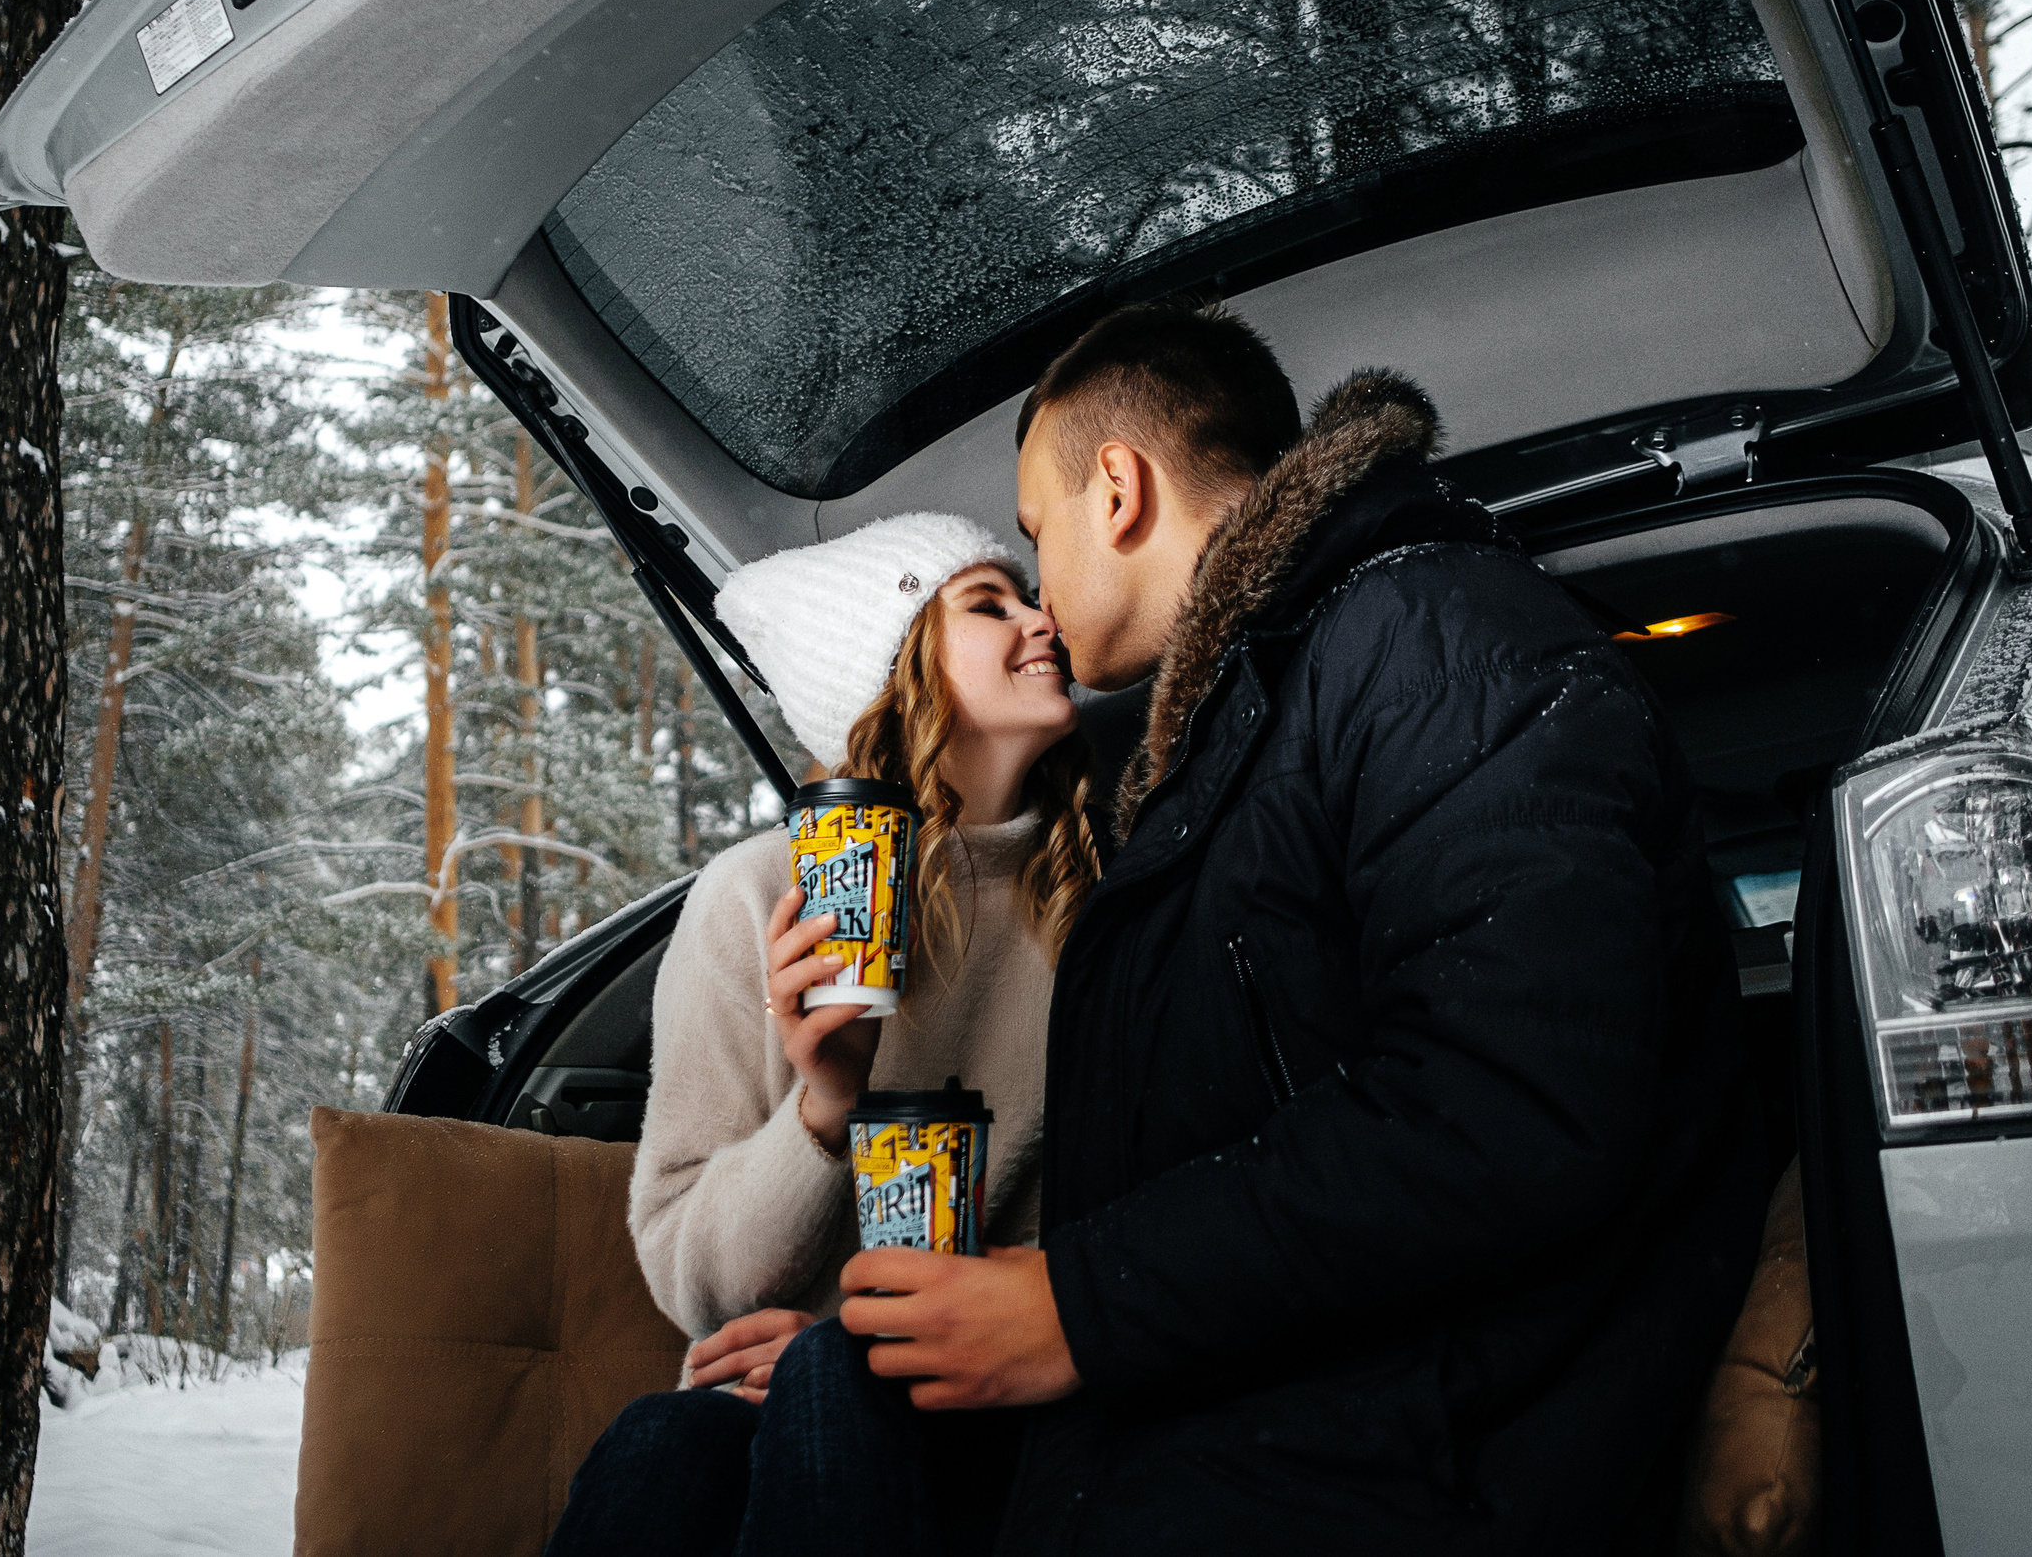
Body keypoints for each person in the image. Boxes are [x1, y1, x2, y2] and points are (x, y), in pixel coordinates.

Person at [830, 303, 1765, 1555]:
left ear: (1118, 488)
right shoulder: (1255, 722)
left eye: (1036, 537)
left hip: (1408, 1474)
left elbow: (1505, 1103)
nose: (1043, 589)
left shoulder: (1436, 644)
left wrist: (1079, 1304)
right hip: (1252, 1442)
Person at [544, 512, 1102, 1557]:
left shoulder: (1100, 904)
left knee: (833, 1372)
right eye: (991, 605)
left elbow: (1128, 1228)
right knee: (662, 1437)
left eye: (1027, 597)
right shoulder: (759, 898)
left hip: (1006, 1407)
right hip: (758, 1405)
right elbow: (693, 1281)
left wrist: (873, 1340)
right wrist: (823, 1107)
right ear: (894, 677)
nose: (1045, 622)